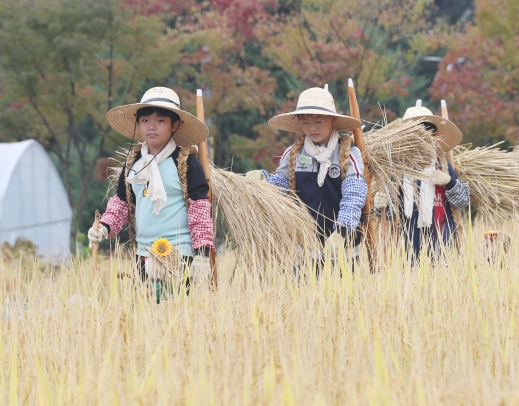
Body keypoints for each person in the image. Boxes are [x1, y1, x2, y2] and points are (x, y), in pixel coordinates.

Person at [88, 87, 214, 298]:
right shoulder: (133, 165)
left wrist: (202, 255)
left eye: (160, 121)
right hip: (143, 254)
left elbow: (199, 210)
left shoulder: (186, 163)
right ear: (138, 124)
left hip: (180, 253)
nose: (151, 127)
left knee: (178, 314)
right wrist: (104, 228)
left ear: (175, 125)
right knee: (147, 316)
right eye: (145, 120)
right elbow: (121, 203)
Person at [245, 87, 366, 265]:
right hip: (305, 248)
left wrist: (342, 231)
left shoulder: (348, 153)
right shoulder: (294, 153)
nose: (312, 128)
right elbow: (281, 186)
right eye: (306, 123)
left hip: (342, 247)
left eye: (318, 121)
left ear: (332, 119)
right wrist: (262, 181)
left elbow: (354, 194)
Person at [373, 101, 470, 259]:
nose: (420, 138)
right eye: (413, 132)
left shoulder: (443, 166)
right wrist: (380, 205)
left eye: (425, 131)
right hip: (409, 248)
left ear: (432, 135)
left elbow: (462, 202)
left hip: (442, 246)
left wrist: (449, 182)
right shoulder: (397, 171)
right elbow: (390, 214)